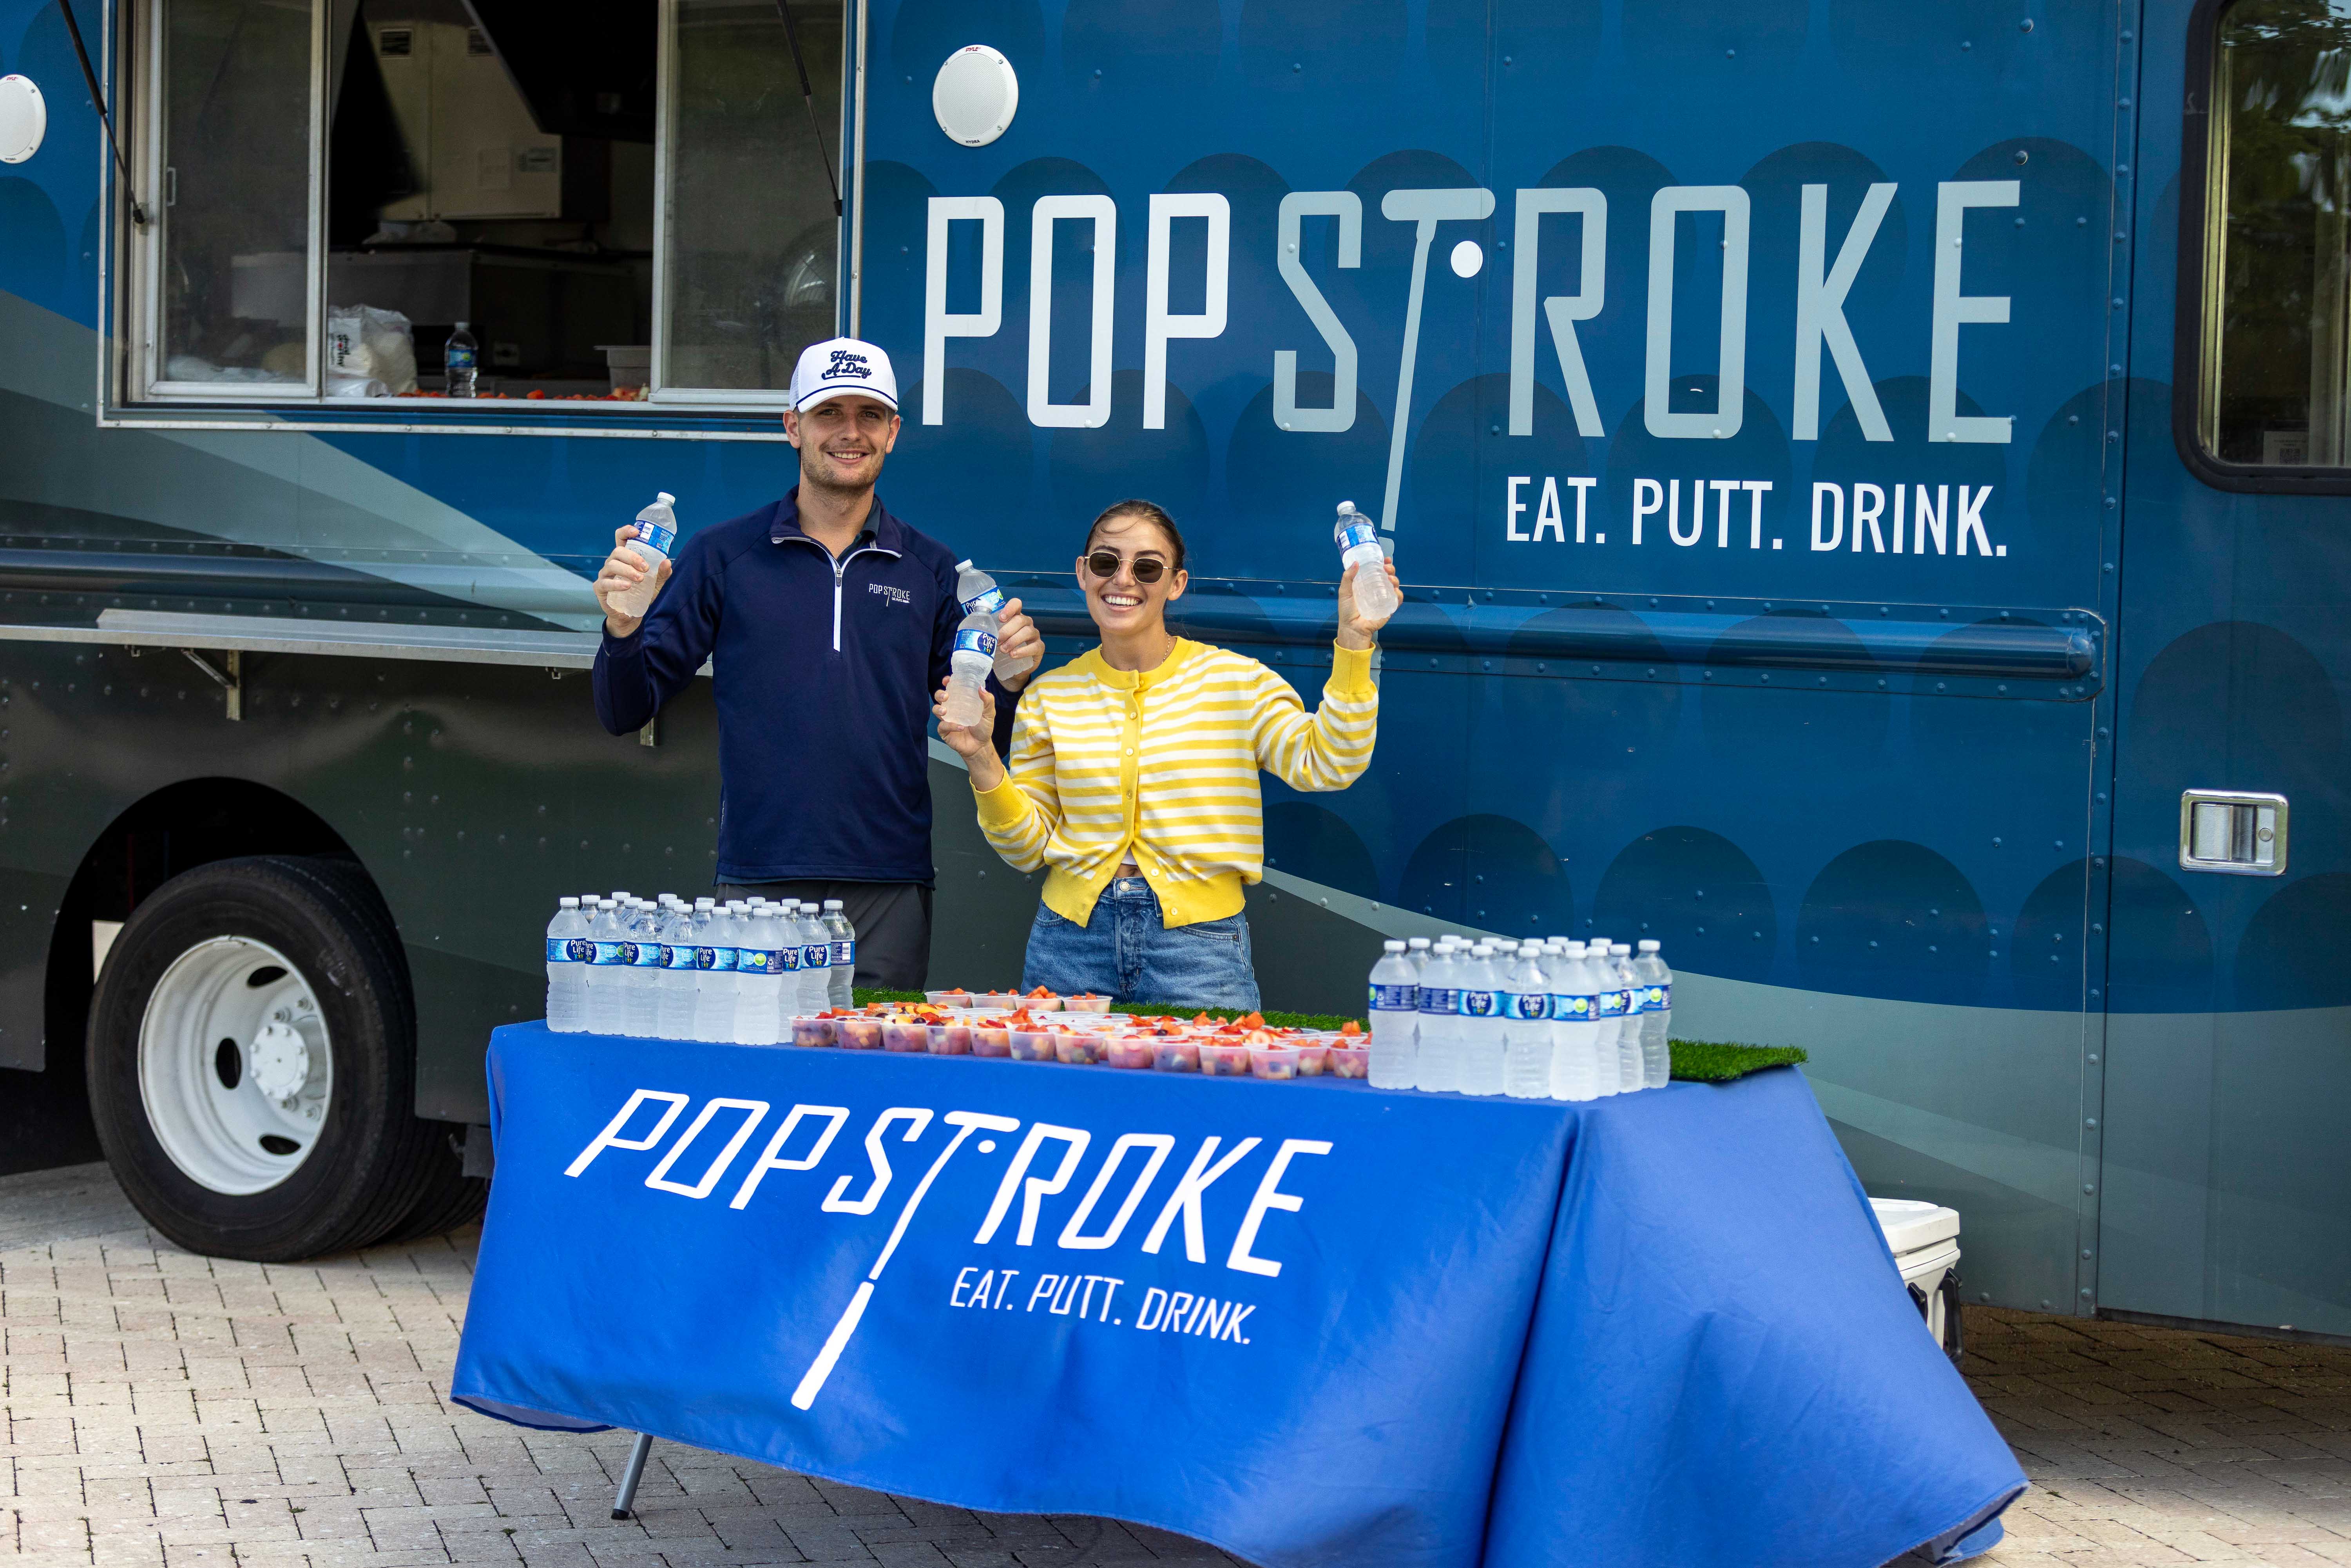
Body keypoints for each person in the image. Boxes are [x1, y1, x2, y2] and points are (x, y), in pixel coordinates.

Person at [590, 337, 1040, 989]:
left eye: (869, 415)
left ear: (893, 433)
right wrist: (623, 627)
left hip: (890, 883)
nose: (850, 432)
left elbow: (978, 735)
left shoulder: (932, 570)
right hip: (761, 877)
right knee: (764, 1077)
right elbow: (623, 708)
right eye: (830, 413)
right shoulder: (723, 555)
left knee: (877, 1078)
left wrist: (1009, 681)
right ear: (793, 426)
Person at [935, 499, 1396, 1009]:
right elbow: (1026, 848)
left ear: (1175, 583)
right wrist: (981, 756)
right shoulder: (1050, 697)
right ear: (1083, 574)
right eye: (1107, 563)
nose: (1124, 580)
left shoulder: (1235, 682)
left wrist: (1355, 639)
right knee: (1064, 1091)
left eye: (1148, 567)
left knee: (1205, 1091)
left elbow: (1332, 761)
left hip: (1200, 948)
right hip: (1067, 943)